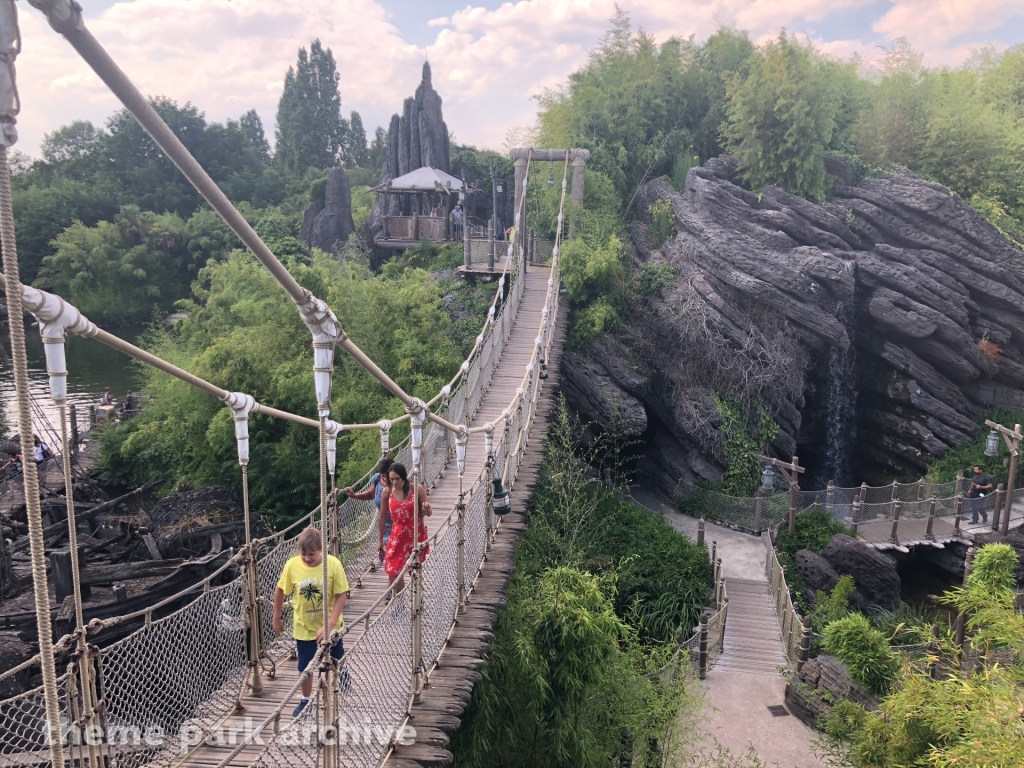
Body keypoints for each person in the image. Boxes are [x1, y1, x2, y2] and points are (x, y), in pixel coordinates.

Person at [272, 527, 350, 718]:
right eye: (303, 554)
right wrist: (276, 616)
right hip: (304, 627)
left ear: (321, 549)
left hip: (331, 626)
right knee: (305, 666)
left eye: (312, 555)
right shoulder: (292, 565)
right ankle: (306, 699)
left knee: (336, 656)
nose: (307, 559)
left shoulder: (333, 564)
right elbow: (281, 590)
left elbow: (341, 595)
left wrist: (330, 624)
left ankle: (343, 670)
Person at [378, 462, 431, 598]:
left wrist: (426, 509)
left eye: (397, 479)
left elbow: (429, 512)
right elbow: (382, 517)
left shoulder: (417, 489)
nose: (394, 482)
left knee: (414, 568)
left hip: (415, 534)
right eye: (391, 479)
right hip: (397, 534)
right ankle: (398, 601)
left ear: (404, 478)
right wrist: (380, 541)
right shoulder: (387, 492)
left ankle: (418, 598)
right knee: (394, 569)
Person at [344, 458, 394, 563]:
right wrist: (355, 495)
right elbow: (371, 494)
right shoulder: (377, 479)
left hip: (398, 527)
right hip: (384, 527)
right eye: (382, 476)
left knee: (395, 563)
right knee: (391, 565)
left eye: (386, 476)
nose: (384, 479)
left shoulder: (398, 483)